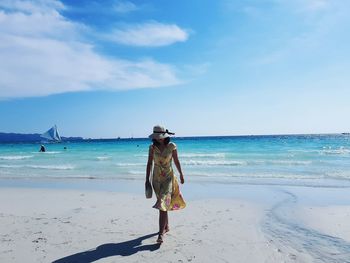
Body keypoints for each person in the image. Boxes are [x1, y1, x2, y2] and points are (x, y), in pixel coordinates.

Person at [146, 125, 186, 244]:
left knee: (162, 203)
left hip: (168, 178)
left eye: (160, 136)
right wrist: (146, 180)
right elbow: (149, 164)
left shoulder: (171, 146)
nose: (159, 139)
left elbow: (176, 161)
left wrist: (181, 174)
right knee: (163, 204)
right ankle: (166, 226)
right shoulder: (152, 148)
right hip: (156, 179)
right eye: (157, 137)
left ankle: (160, 234)